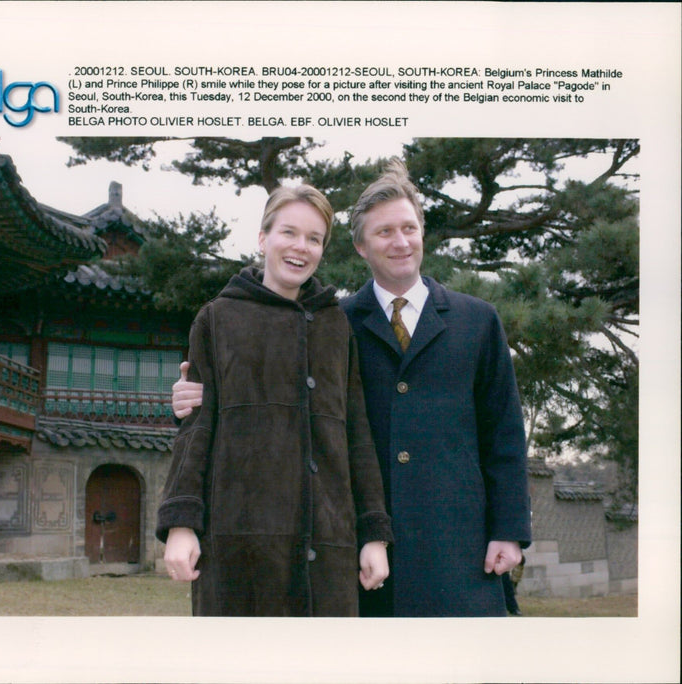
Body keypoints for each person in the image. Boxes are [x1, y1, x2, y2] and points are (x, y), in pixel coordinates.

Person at [171, 160, 532, 617]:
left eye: (409, 228)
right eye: (384, 232)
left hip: (459, 549)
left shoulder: (478, 321)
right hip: (359, 559)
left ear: (423, 232)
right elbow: (261, 384)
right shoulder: (334, 322)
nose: (399, 242)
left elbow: (504, 433)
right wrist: (188, 398)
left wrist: (509, 528)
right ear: (360, 246)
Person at [156, 184, 393, 617]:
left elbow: (358, 435)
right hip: (238, 543)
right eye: (289, 232)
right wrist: (181, 523)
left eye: (314, 238)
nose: (301, 247)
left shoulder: (336, 327)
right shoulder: (217, 318)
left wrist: (373, 533)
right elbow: (196, 428)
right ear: (263, 238)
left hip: (328, 546)